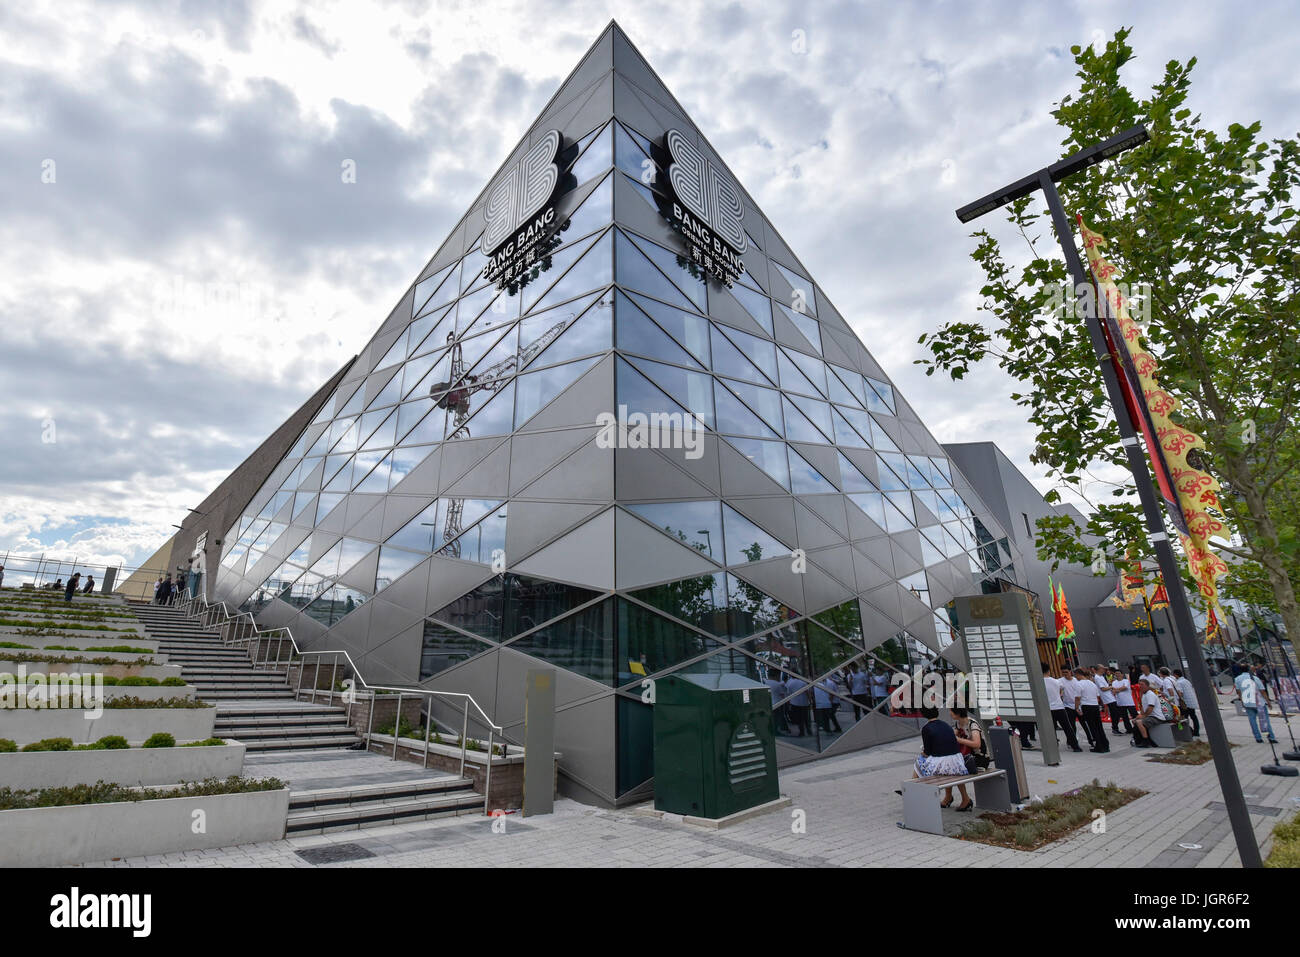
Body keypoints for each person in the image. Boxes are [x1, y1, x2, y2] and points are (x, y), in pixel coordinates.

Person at [910, 705, 972, 810]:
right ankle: (964, 798)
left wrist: (923, 753)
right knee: (951, 771)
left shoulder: (926, 728)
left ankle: (911, 790)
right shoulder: (946, 725)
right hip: (957, 762)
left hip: (943, 765)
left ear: (923, 714)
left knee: (919, 761)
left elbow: (927, 752)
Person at [946, 707, 986, 808]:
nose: (949, 713)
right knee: (947, 764)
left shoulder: (972, 724)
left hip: (979, 759)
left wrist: (958, 740)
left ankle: (964, 799)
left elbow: (977, 744)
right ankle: (950, 796)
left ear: (958, 712)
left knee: (954, 767)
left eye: (951, 710)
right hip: (966, 757)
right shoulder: (958, 724)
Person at [1043, 662, 1082, 752]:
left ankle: (1053, 745)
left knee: (1051, 729)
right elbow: (1062, 689)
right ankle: (1075, 746)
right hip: (1059, 707)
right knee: (1067, 727)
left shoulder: (1039, 682)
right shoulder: (1056, 681)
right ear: (1048, 671)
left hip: (1048, 709)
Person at [1235, 665, 1277, 744]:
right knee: (1265, 720)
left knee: (1252, 720)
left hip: (1247, 702)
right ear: (1249, 669)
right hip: (1259, 702)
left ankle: (1258, 738)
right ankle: (1271, 737)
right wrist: (1268, 702)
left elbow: (1238, 691)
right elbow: (1262, 691)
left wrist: (1242, 700)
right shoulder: (1255, 678)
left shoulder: (1237, 679)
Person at [1075, 667, 1109, 753]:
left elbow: (1077, 698)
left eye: (1076, 675)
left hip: (1087, 706)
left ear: (1078, 675)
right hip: (1095, 705)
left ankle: (1099, 746)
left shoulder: (1079, 684)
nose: (1076, 677)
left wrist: (1076, 708)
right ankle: (1105, 745)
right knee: (1099, 726)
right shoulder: (1092, 684)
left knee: (1092, 727)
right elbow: (1097, 696)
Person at [1133, 677, 1171, 747]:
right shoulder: (1144, 694)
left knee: (1139, 722)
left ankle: (1146, 741)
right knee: (1135, 721)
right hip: (1150, 716)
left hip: (1157, 717)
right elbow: (1143, 708)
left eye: (1142, 685)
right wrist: (1139, 716)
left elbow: (1150, 708)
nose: (1140, 686)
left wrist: (1143, 716)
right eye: (1139, 685)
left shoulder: (1150, 694)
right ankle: (1140, 740)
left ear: (1147, 686)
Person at [1060, 668, 1094, 747]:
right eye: (1063, 672)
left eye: (1066, 672)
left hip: (1078, 706)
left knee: (1085, 724)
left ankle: (1091, 740)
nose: (1065, 674)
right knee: (1071, 725)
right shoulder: (1060, 681)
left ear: (1070, 672)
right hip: (1068, 706)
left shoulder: (1077, 680)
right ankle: (1071, 742)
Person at [1172, 669, 1200, 737]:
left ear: (1176, 675)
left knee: (1184, 718)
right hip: (1191, 701)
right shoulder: (1186, 681)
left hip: (1185, 703)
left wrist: (1176, 697)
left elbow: (1180, 693)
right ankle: (1196, 732)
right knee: (1193, 717)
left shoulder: (1178, 682)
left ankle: (1188, 732)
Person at [766, 669, 790, 733]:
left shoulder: (765, 682)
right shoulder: (777, 684)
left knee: (773, 718)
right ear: (776, 675)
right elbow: (782, 695)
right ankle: (777, 731)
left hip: (769, 703)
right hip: (778, 704)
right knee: (777, 718)